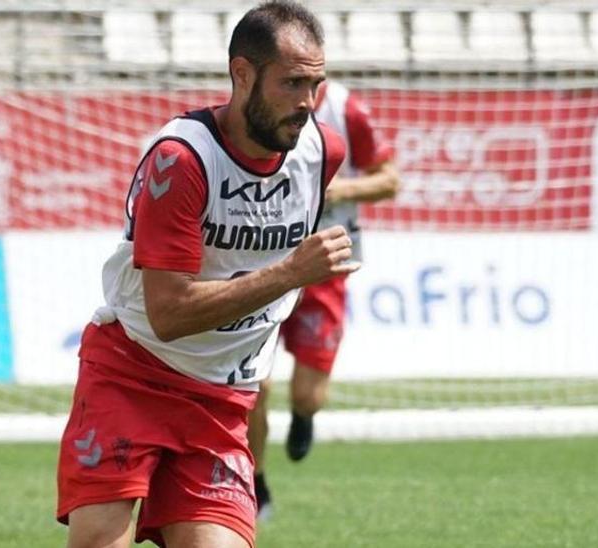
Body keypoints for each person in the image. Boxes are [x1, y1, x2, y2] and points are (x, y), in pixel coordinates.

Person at [55, 2, 351, 547]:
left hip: (220, 401)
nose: (308, 103)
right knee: (99, 540)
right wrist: (289, 272)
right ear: (242, 74)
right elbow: (169, 314)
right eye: (292, 83)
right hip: (133, 373)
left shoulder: (321, 152)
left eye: (316, 85)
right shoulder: (182, 160)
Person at [247, 80, 400, 520]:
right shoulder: (257, 103)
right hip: (268, 261)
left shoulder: (347, 108)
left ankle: (304, 416)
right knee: (256, 384)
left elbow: (390, 180)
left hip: (329, 260)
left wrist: (338, 191)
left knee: (309, 395)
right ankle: (255, 482)